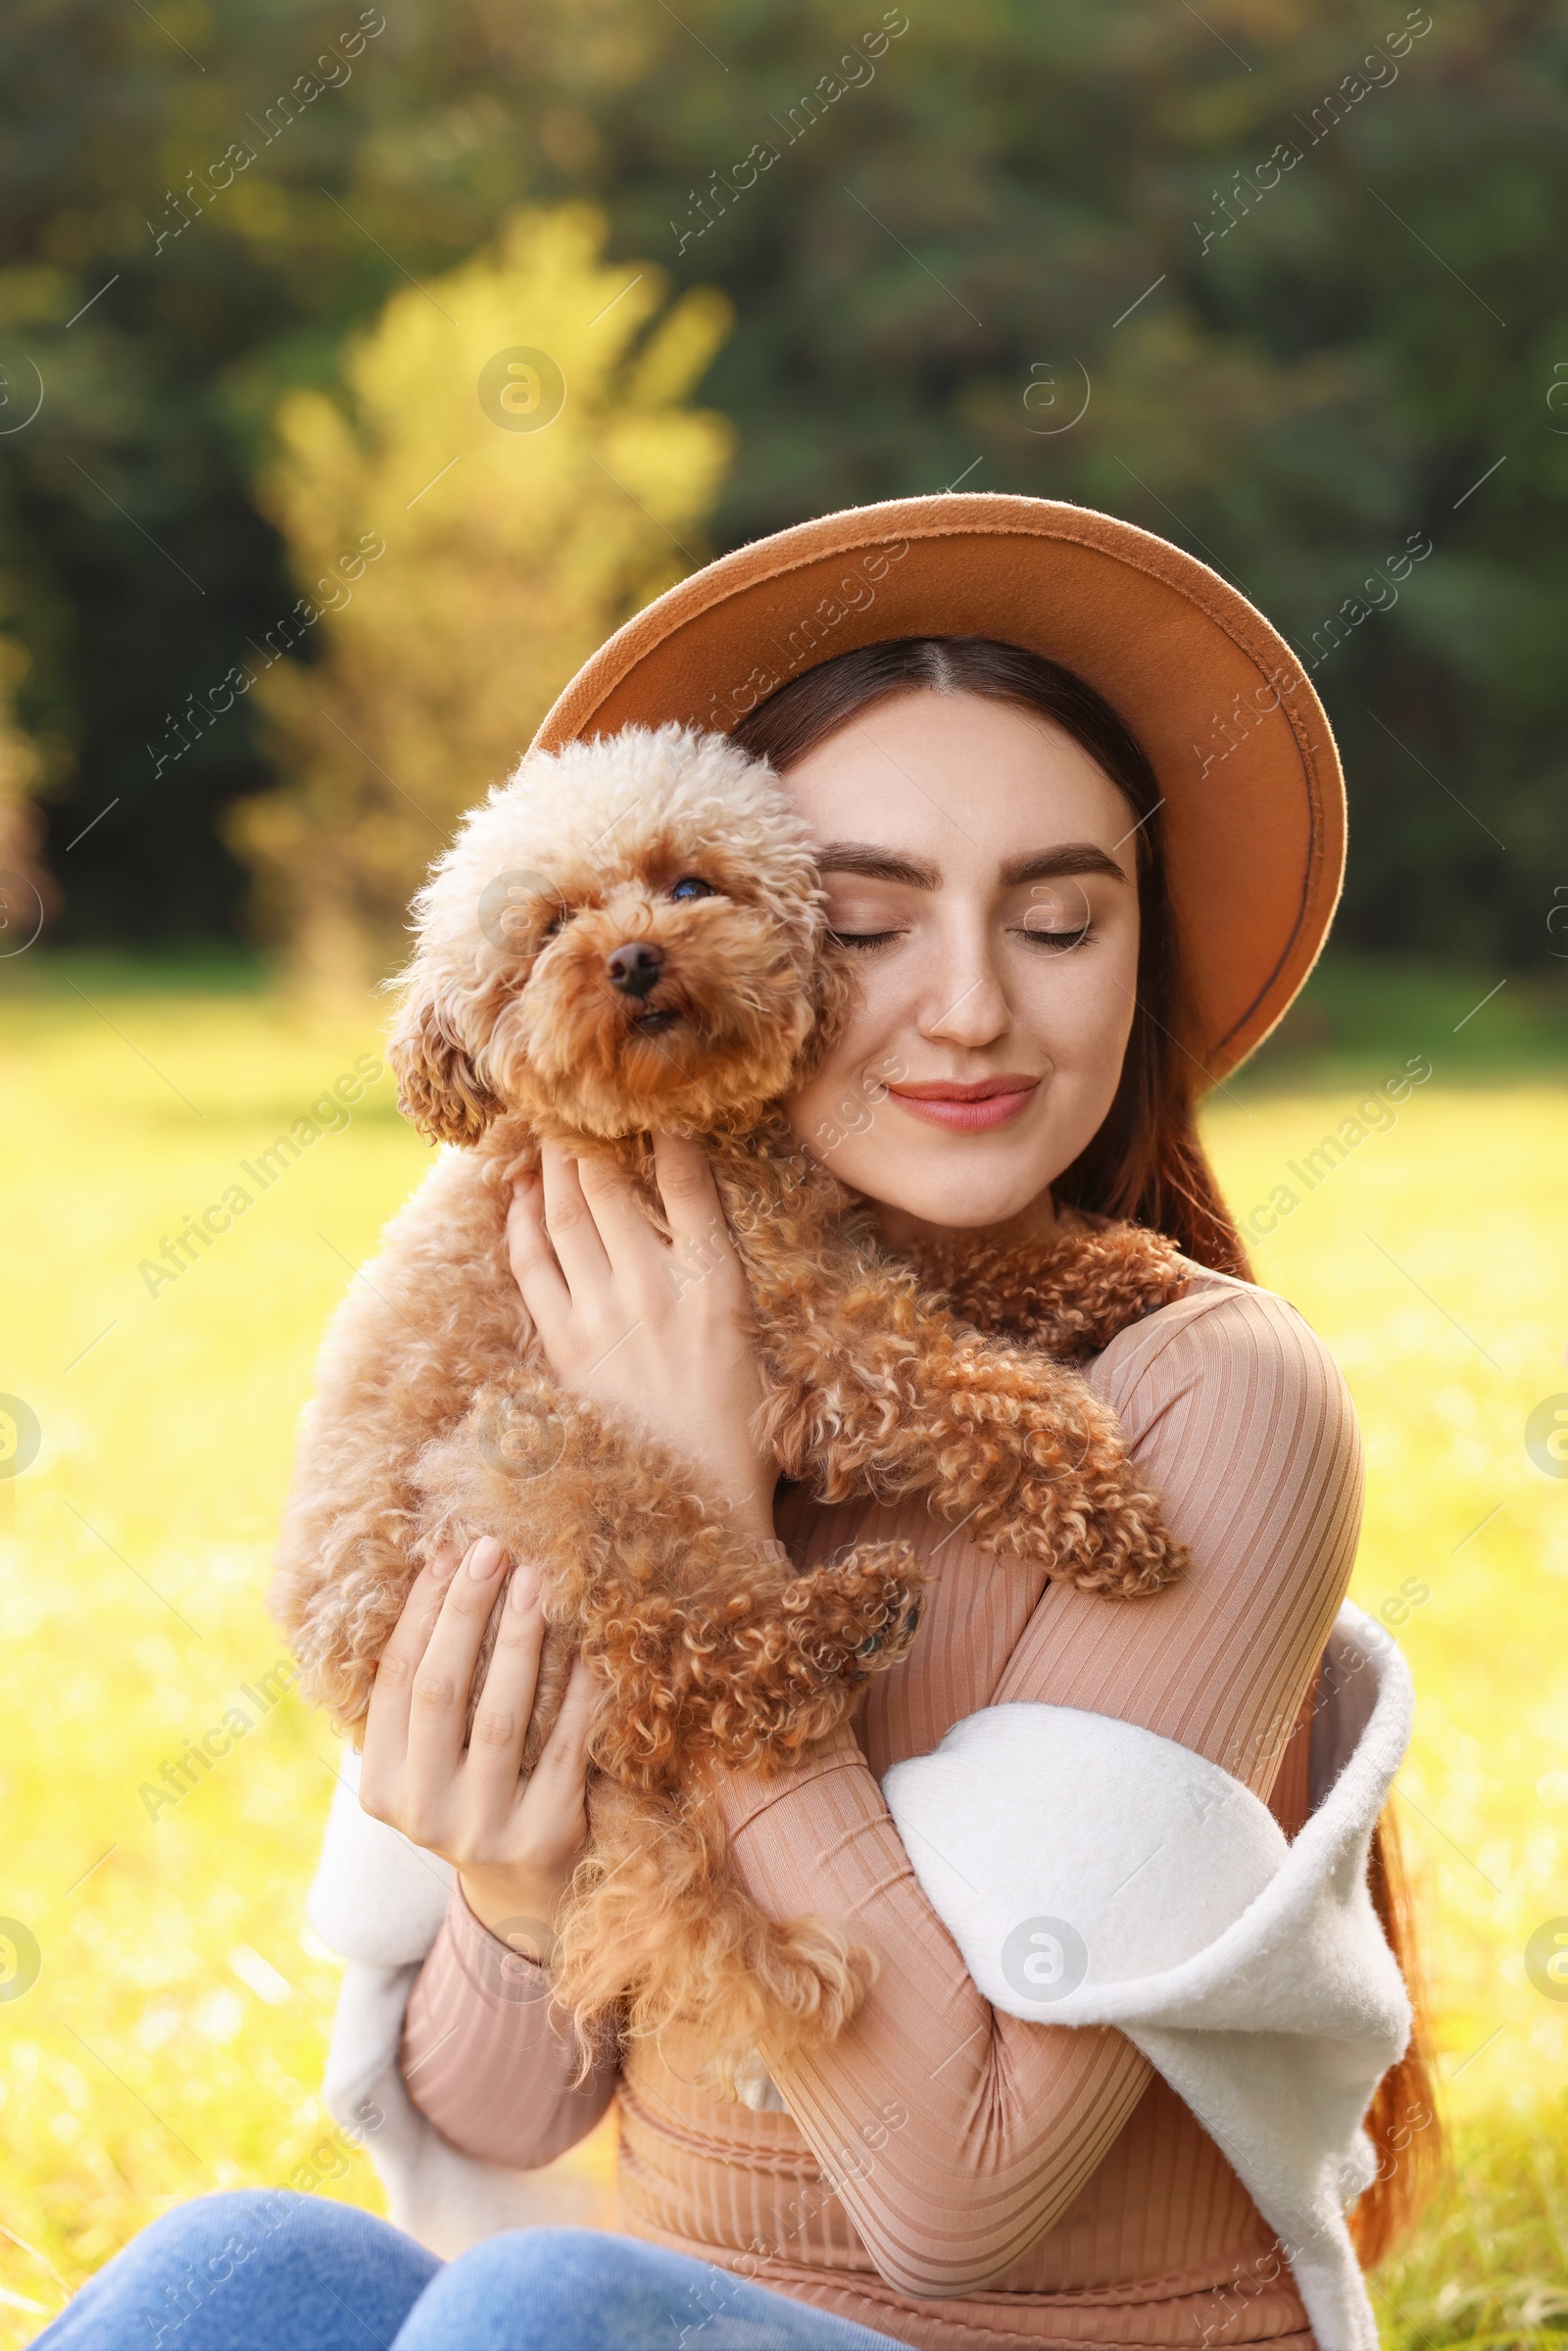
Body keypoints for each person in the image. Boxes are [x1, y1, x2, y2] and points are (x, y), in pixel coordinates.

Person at [39, 500, 1436, 2349]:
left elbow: (954, 2207)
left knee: (538, 2311)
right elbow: (498, 2121)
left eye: (1061, 919)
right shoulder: (597, 1325)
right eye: (867, 920)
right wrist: (516, 1881)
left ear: (1139, 957)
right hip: (647, 2308)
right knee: (238, 2270)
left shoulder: (1213, 1392)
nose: (968, 1006)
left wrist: (709, 1525)